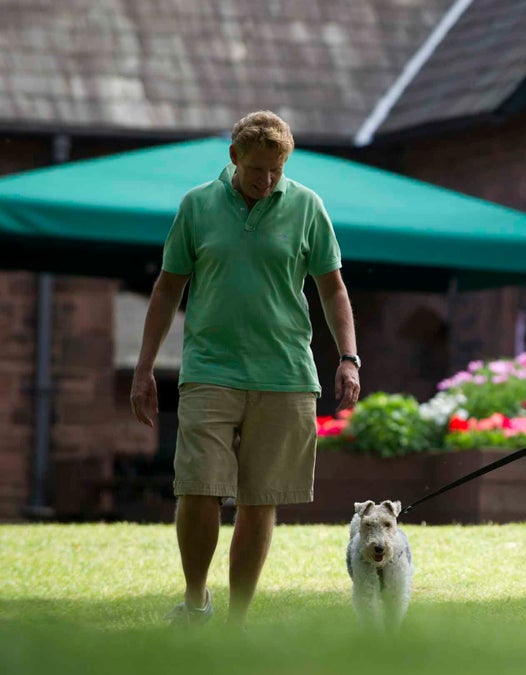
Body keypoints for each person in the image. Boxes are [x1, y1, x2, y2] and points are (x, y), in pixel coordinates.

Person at [130, 110, 361, 626]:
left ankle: (237, 621)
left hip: (286, 375)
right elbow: (168, 287)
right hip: (210, 370)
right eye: (258, 170)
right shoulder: (196, 206)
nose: (267, 180)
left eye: (276, 170)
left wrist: (348, 357)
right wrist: (145, 367)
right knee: (197, 488)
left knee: (261, 499)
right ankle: (195, 602)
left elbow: (333, 288)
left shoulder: (307, 206)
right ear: (234, 158)